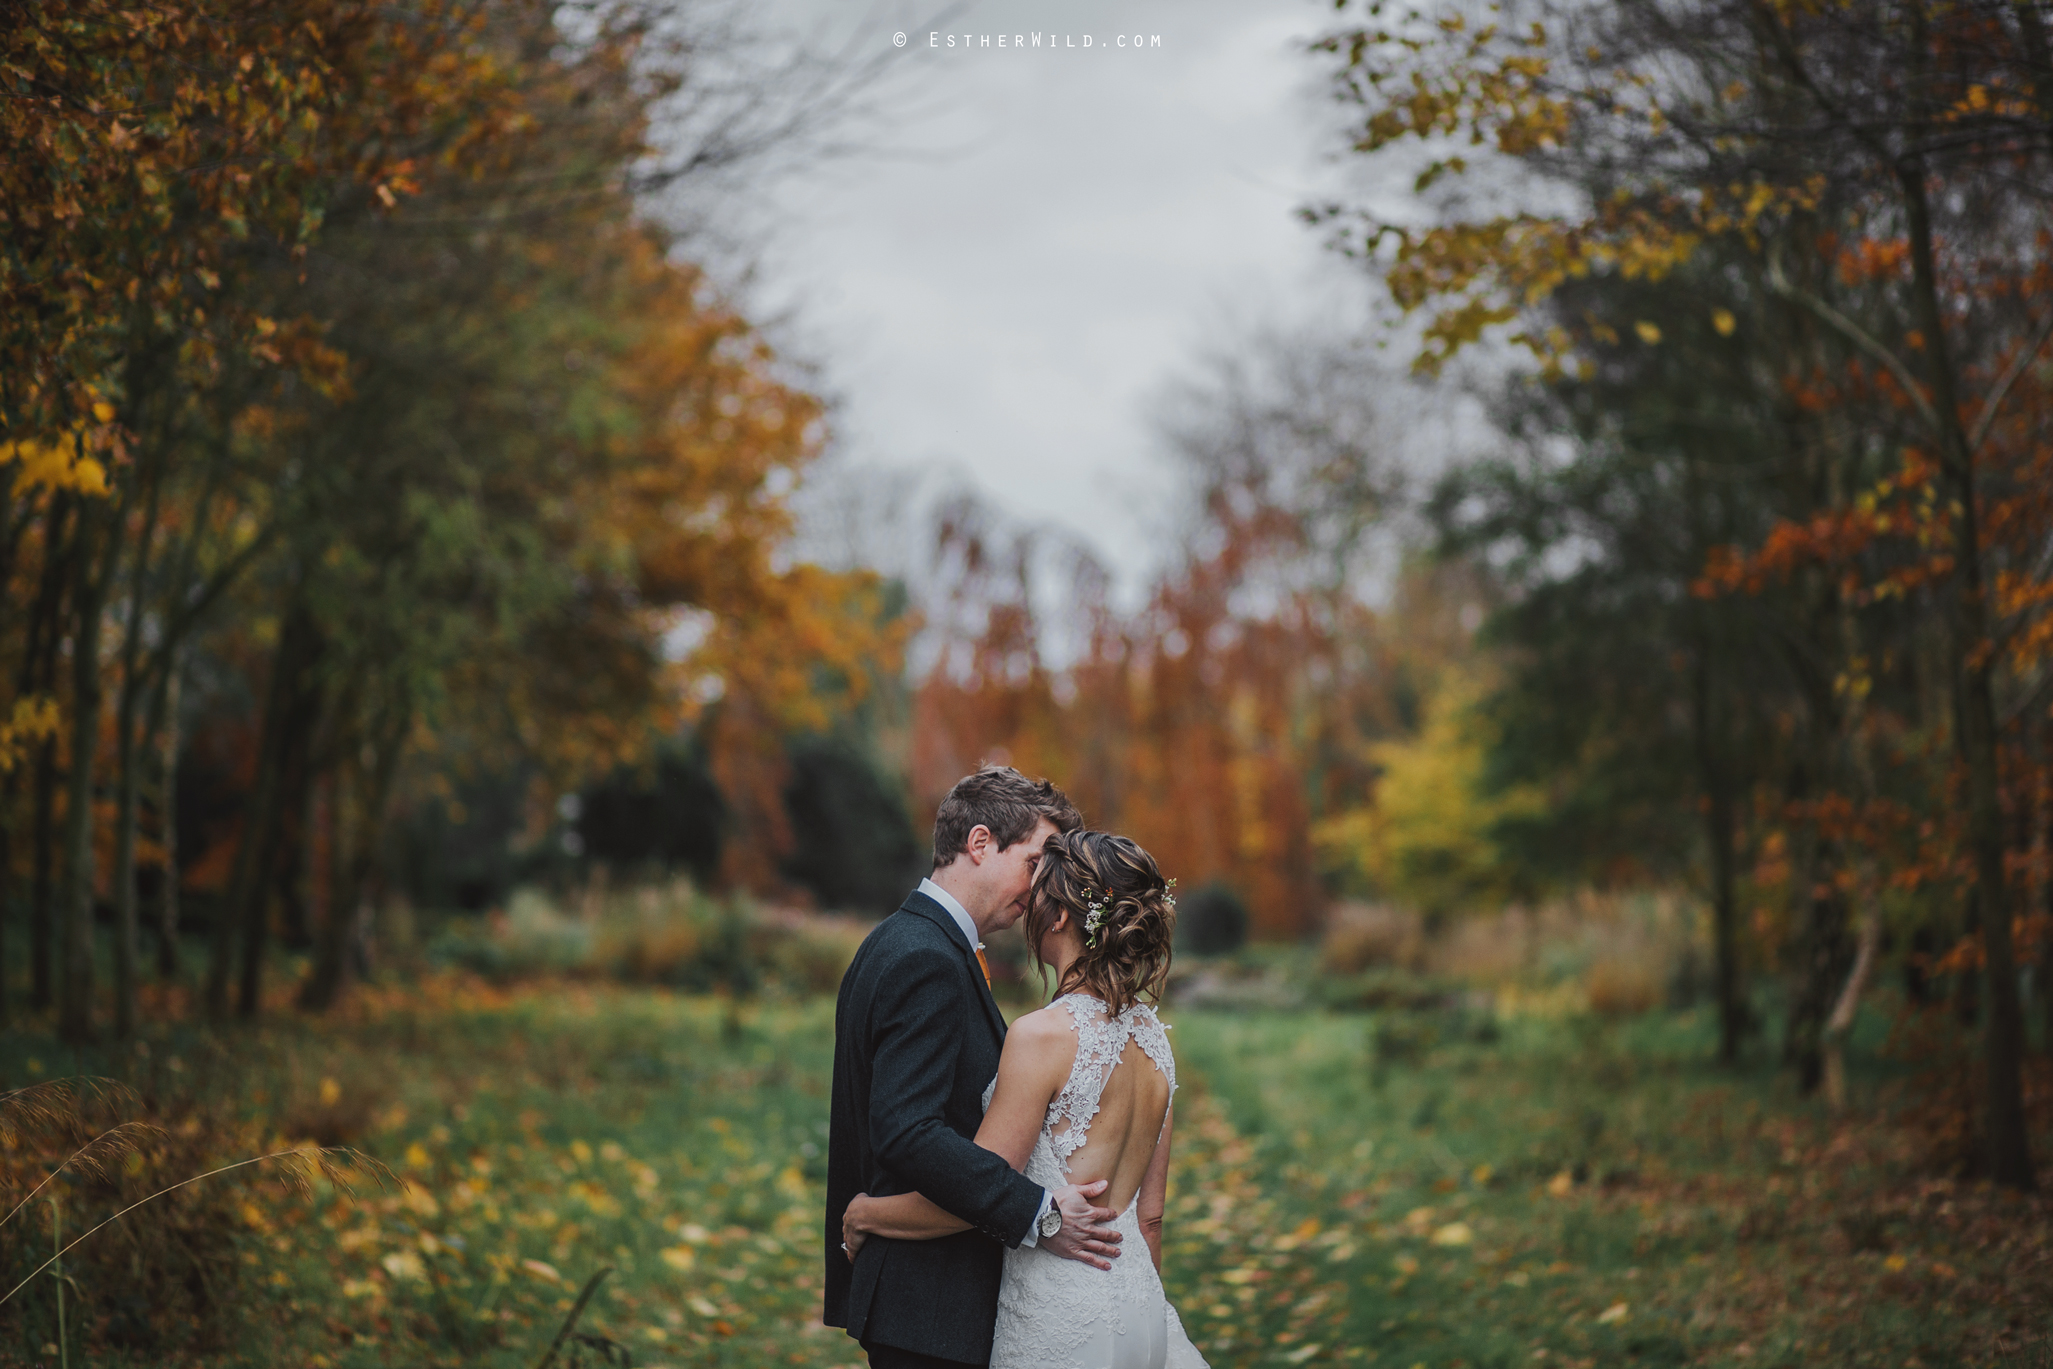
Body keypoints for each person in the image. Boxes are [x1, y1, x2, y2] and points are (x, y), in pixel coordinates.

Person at [841, 828, 1209, 1369]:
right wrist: (1138, 1310)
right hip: (1141, 1310)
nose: (1025, 903)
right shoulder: (1156, 1041)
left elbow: (982, 1193)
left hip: (1060, 1317)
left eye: (1038, 891)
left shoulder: (1041, 1037)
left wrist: (870, 1213)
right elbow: (1149, 1219)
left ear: (1059, 917)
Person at [824, 767, 1125, 1369]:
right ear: (981, 843)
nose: (1043, 886)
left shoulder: (905, 940)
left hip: (921, 1305)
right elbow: (906, 1131)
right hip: (927, 1308)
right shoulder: (926, 959)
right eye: (1036, 860)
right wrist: (1038, 1213)